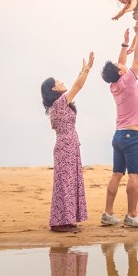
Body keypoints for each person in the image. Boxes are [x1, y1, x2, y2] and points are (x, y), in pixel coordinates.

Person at [100, 28, 138, 228]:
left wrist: (124, 43)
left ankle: (108, 214)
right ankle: (132, 215)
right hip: (132, 135)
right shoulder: (128, 80)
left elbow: (122, 64)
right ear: (121, 72)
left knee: (116, 174)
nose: (122, 64)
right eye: (120, 65)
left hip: (118, 135)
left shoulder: (114, 85)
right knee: (133, 175)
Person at [41, 51, 95, 232]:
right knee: (65, 183)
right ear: (53, 89)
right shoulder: (60, 103)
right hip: (66, 146)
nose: (62, 82)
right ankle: (59, 222)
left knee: (69, 182)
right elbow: (77, 86)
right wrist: (87, 69)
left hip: (69, 146)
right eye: (58, 82)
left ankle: (67, 219)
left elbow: (75, 85)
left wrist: (82, 70)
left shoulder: (59, 104)